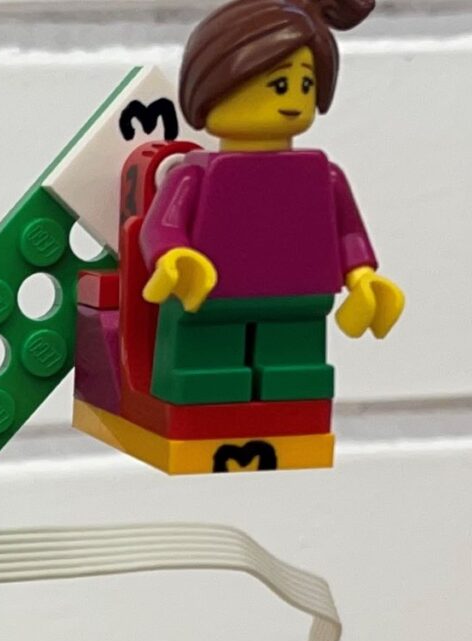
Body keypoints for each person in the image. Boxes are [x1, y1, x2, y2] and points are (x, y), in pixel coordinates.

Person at [139, 0, 405, 407]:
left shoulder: (324, 176)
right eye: (279, 85)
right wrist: (174, 256)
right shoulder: (195, 175)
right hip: (209, 299)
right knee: (208, 372)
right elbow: (161, 226)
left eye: (306, 84)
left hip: (301, 300)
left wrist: (363, 277)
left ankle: (291, 413)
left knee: (296, 371)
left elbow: (348, 232)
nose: (294, 99)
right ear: (213, 85)